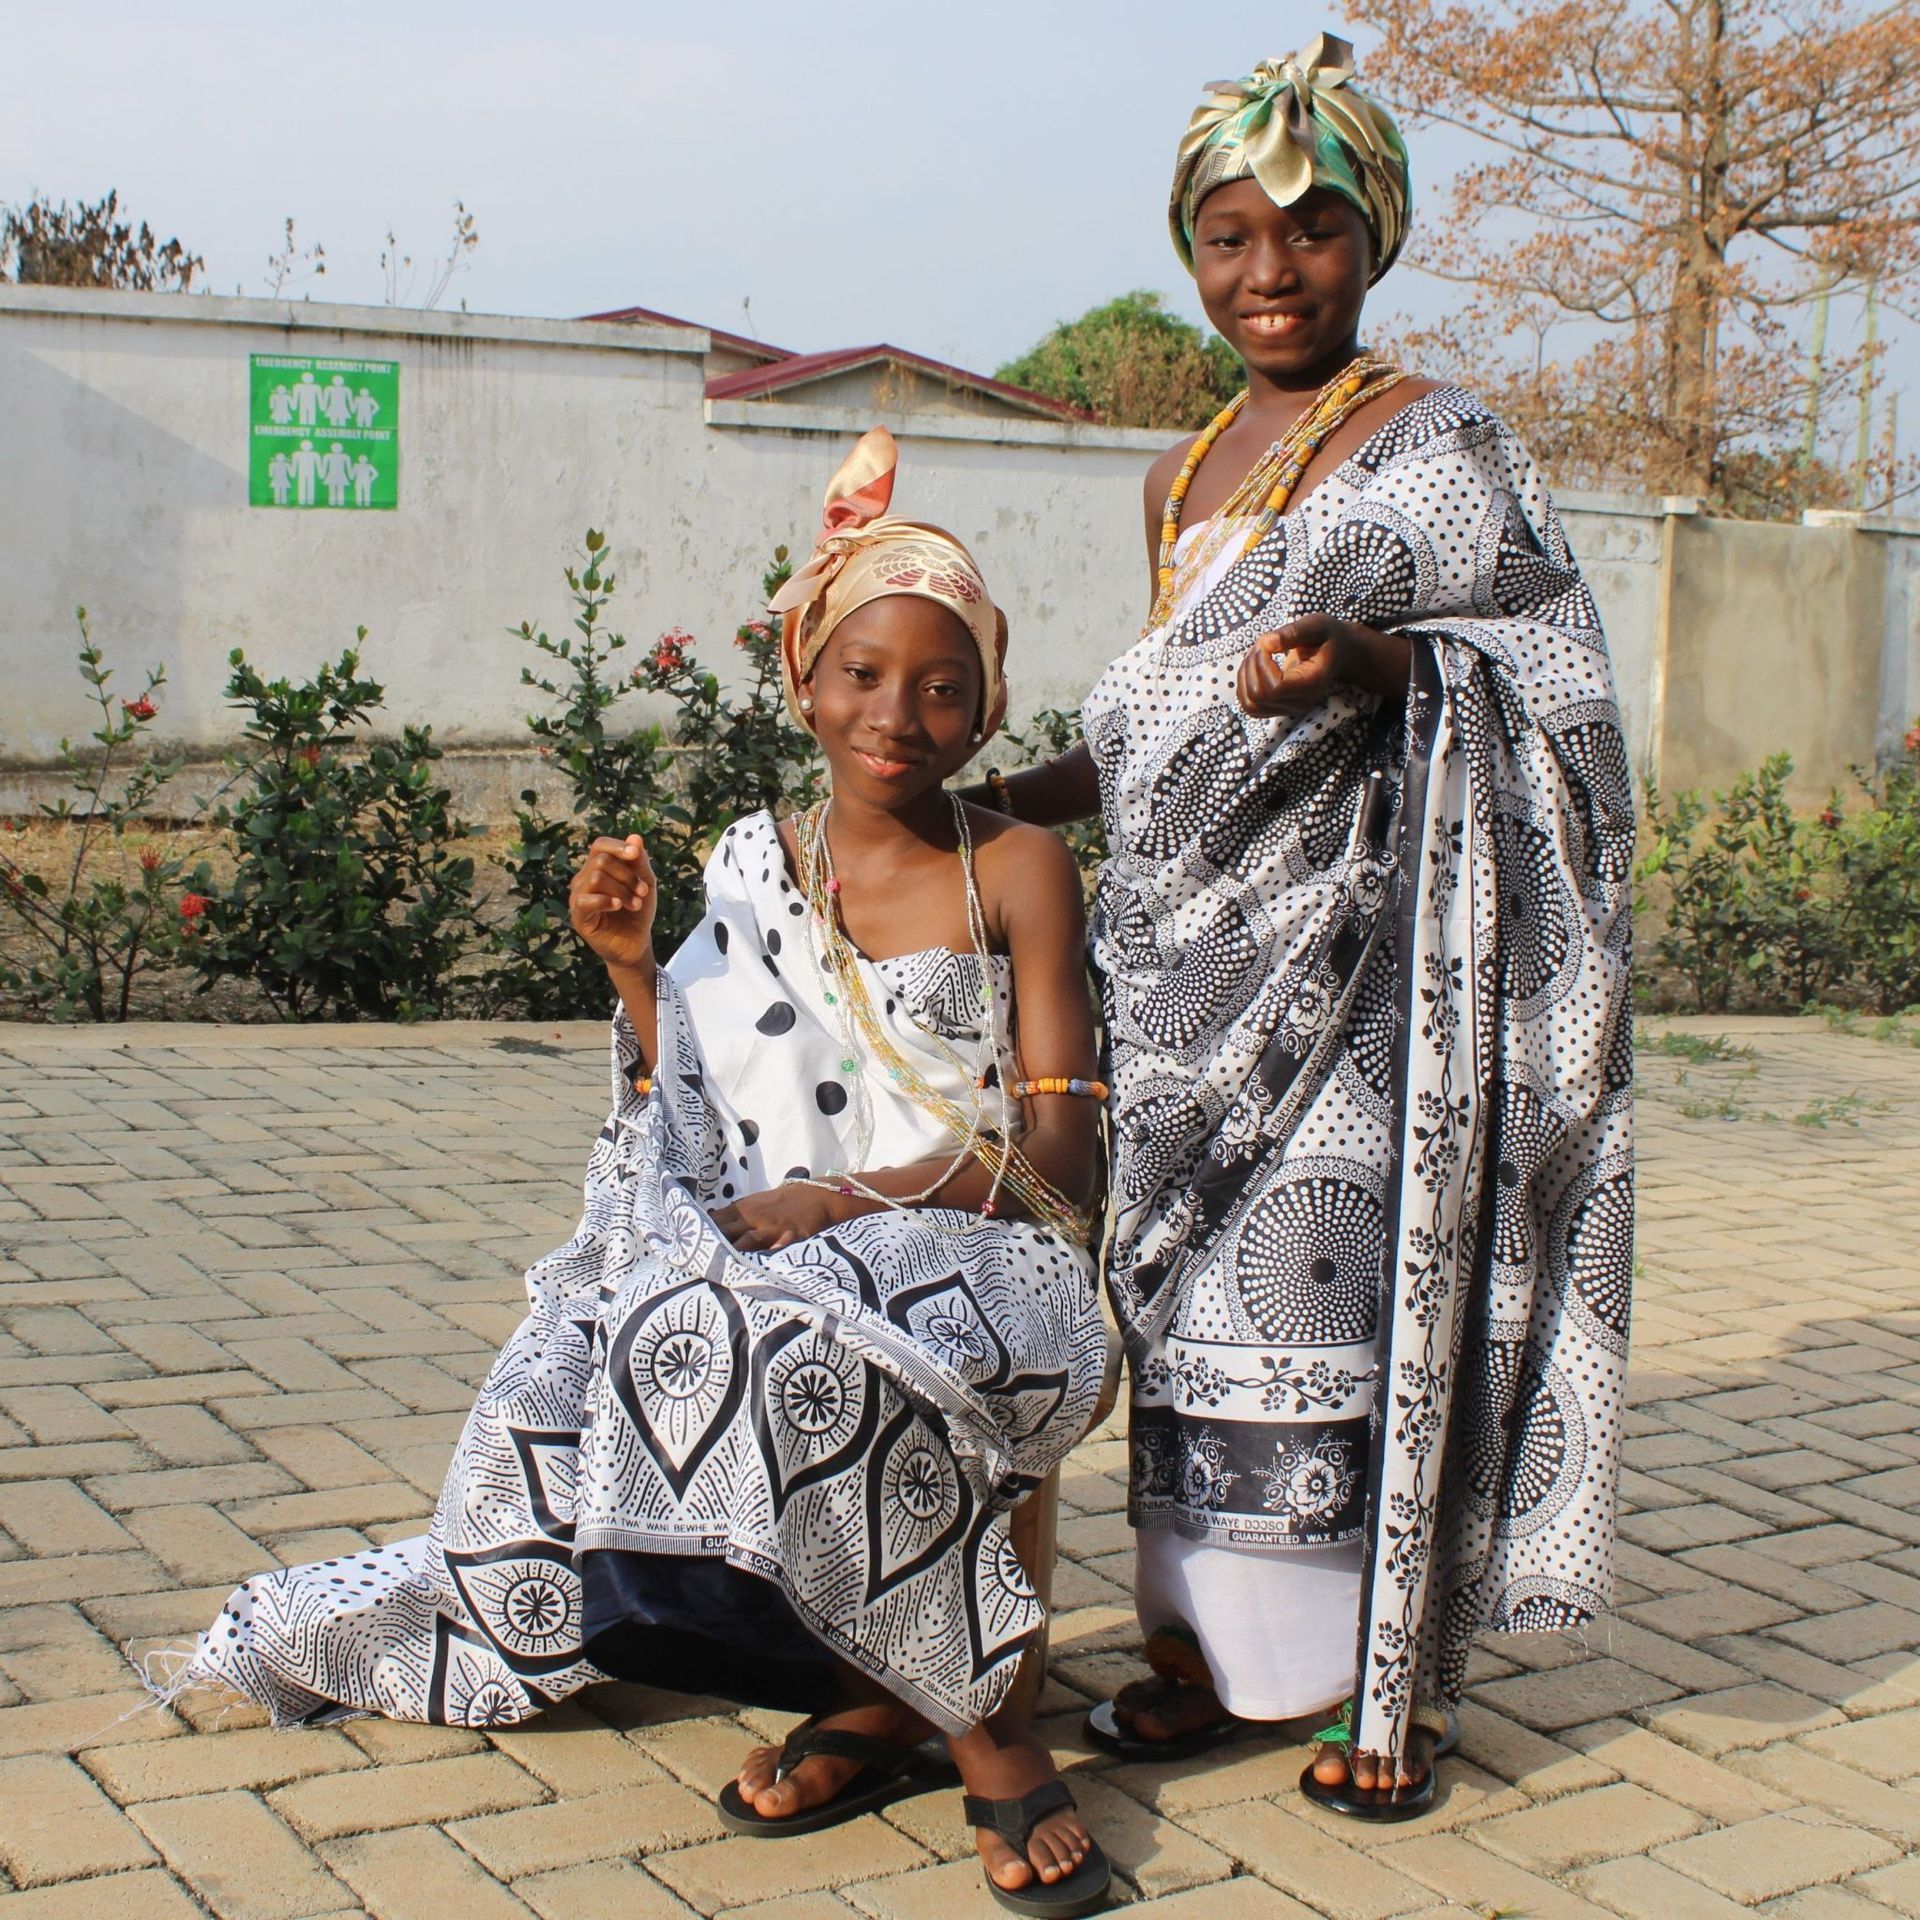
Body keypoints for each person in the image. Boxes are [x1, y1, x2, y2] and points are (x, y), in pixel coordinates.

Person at [169, 427, 1115, 1913]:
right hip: (785, 1243)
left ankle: (984, 1726)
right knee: (634, 1332)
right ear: (804, 680)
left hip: (984, 1250)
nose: (898, 716)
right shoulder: (752, 864)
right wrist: (627, 967)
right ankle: (879, 1694)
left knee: (782, 1335)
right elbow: (701, 1104)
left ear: (988, 705)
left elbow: (1063, 1160)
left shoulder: (1017, 866)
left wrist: (844, 1202)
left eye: (944, 686)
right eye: (864, 674)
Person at [972, 32, 1634, 1820]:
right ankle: (1199, 1652)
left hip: (1355, 967)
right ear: (1189, 252)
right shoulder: (1179, 476)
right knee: (1192, 1314)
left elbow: (1554, 691)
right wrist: (1003, 802)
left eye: (1312, 229)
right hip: (1173, 977)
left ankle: (1380, 1682)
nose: (1270, 271)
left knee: (1337, 1302)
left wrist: (1374, 665)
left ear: (1376, 237)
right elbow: (1158, 733)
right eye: (1229, 236)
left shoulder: (1440, 446)